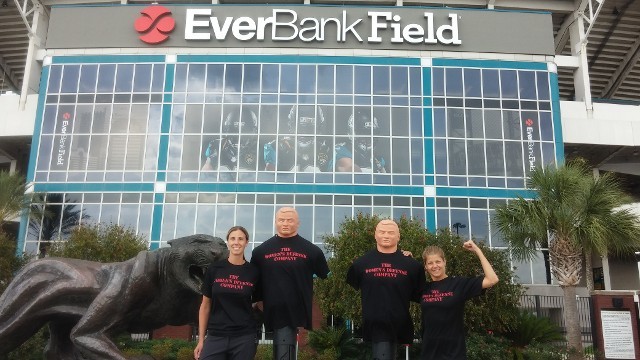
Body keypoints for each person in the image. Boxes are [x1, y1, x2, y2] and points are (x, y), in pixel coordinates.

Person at [250, 207, 330, 360]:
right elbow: (253, 282)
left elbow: (325, 276)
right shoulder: (260, 252)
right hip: (273, 310)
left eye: (290, 220)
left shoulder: (312, 251)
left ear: (298, 223)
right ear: (275, 222)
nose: (285, 223)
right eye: (281, 220)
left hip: (299, 310)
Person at [346, 219, 426, 360]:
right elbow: (353, 282)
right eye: (382, 232)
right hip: (374, 324)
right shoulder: (360, 264)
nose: (386, 235)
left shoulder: (413, 266)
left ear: (398, 236)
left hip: (400, 324)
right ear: (375, 235)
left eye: (391, 232)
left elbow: (419, 294)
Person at [420, 240, 499, 360]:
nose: (435, 266)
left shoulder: (459, 284)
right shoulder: (424, 288)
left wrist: (478, 251)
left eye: (438, 261)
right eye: (430, 263)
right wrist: (405, 258)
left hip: (454, 353)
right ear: (425, 267)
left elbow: (492, 279)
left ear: (444, 262)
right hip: (429, 352)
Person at [194, 226, 260, 360]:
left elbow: (258, 303)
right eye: (233, 238)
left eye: (241, 239)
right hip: (216, 335)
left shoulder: (254, 272)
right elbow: (205, 306)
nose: (236, 242)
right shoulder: (214, 269)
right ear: (228, 242)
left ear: (246, 242)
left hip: (244, 337)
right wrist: (201, 340)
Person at [263, 105, 332, 172]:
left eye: (309, 124)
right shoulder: (277, 146)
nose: (305, 131)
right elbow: (270, 175)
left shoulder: (325, 149)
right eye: (303, 122)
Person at [335, 108, 387, 173]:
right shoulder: (342, 151)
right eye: (364, 133)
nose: (369, 137)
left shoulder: (377, 159)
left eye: (372, 133)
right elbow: (350, 169)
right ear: (352, 133)